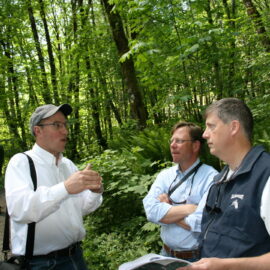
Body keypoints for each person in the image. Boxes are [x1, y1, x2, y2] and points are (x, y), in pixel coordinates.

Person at [5, 104, 103, 270]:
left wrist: (95, 192)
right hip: (41, 264)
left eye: (65, 125)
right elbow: (20, 210)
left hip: (76, 257)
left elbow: (81, 209)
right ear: (38, 131)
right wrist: (65, 188)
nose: (65, 131)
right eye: (57, 125)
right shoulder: (21, 162)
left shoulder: (68, 165)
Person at [177, 98, 270, 270]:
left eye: (211, 126)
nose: (204, 134)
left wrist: (228, 266)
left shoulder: (265, 176)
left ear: (234, 127)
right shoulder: (219, 181)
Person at [143, 122, 218, 262]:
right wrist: (190, 209)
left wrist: (167, 211)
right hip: (165, 254)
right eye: (172, 140)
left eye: (179, 141)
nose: (172, 145)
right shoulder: (165, 175)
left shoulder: (211, 178)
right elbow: (151, 211)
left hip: (195, 257)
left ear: (195, 146)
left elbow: (202, 222)